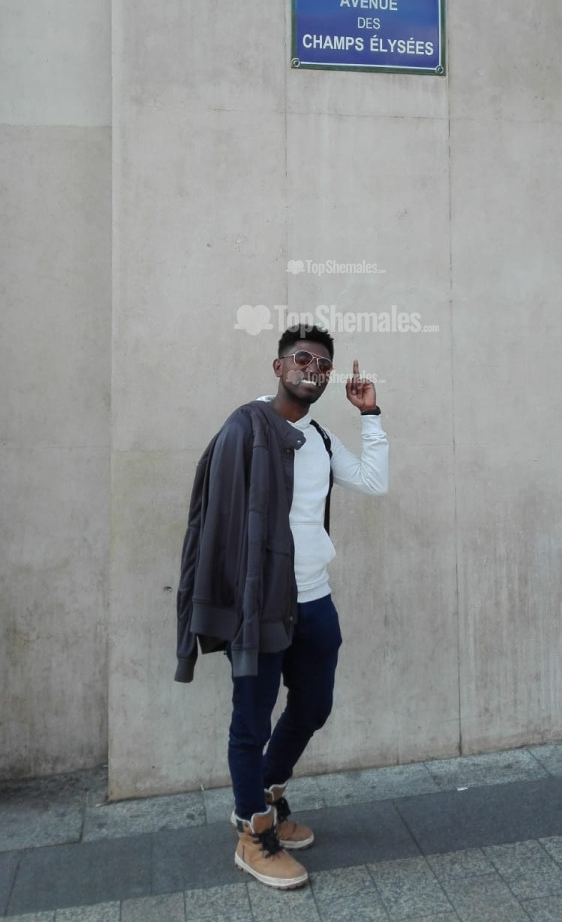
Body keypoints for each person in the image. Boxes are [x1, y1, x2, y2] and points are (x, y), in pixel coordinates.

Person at [175, 324, 388, 890]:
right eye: (301, 358)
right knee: (251, 720)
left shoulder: (319, 438)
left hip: (314, 599)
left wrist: (370, 414)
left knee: (313, 706)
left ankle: (266, 791)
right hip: (260, 605)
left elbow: (373, 481)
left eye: (322, 364)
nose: (311, 369)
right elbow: (218, 517)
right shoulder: (244, 427)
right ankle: (253, 831)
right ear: (278, 366)